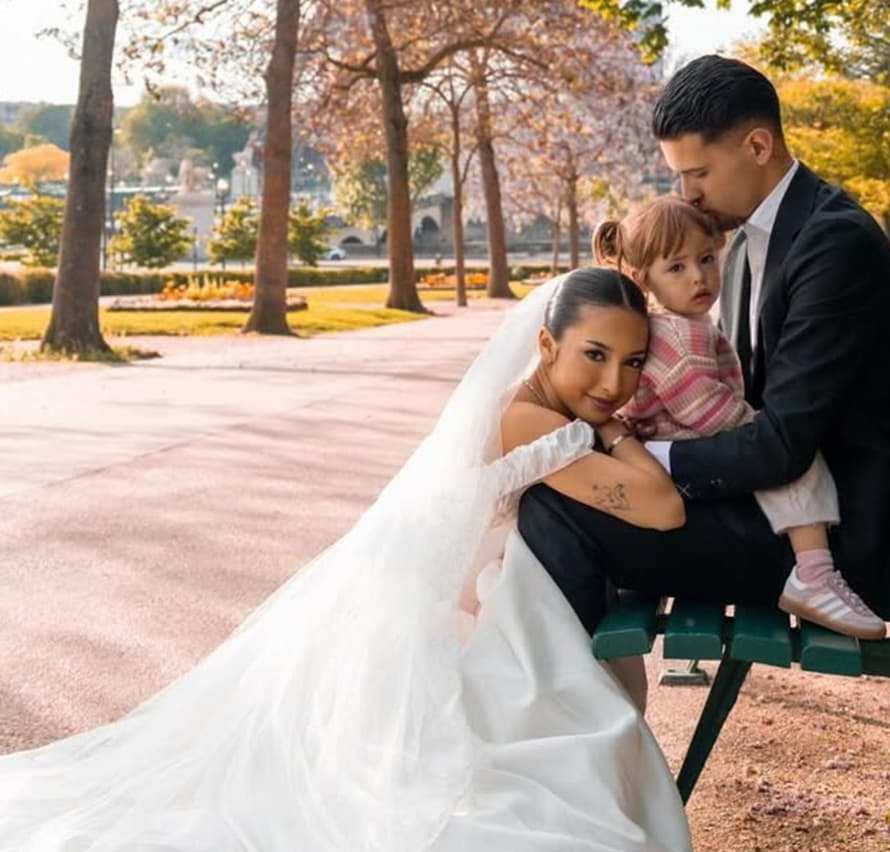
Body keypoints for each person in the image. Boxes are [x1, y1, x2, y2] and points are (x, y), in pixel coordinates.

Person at [0, 269, 692, 852]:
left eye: (633, 363)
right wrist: (613, 432)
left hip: (479, 593)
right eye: (594, 355)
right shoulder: (535, 422)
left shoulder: (538, 409)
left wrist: (604, 426)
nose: (614, 381)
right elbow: (663, 507)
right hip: (466, 612)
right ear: (546, 344)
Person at [518, 55, 890, 640]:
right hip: (782, 504)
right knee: (565, 497)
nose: (689, 195)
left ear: (758, 146)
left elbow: (780, 445)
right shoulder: (757, 237)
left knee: (554, 509)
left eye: (698, 174)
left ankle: (583, 704)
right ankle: (584, 694)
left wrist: (633, 453)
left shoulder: (834, 245)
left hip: (828, 536)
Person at [593, 196, 887, 639]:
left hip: (674, 450)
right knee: (795, 461)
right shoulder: (676, 333)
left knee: (782, 450)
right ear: (643, 279)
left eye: (707, 258)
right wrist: (763, 432)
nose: (699, 275)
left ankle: (812, 569)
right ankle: (814, 573)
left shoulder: (677, 324)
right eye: (676, 267)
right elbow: (706, 410)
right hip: (677, 455)